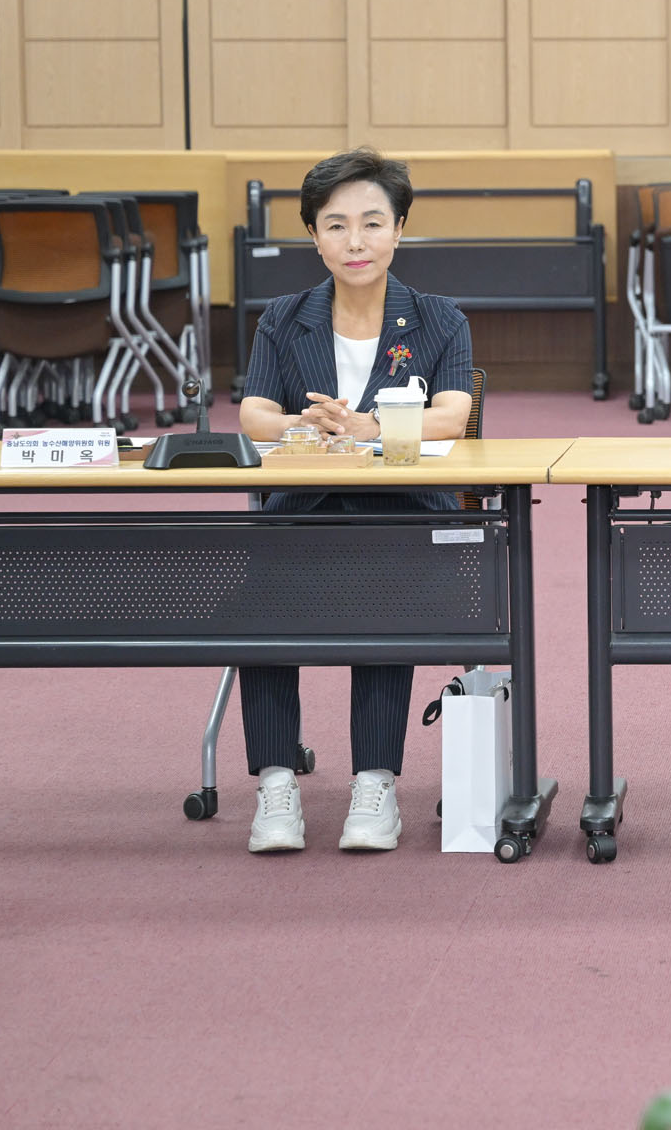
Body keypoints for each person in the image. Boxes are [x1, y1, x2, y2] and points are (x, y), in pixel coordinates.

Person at [234, 149, 475, 854]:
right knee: (258, 603)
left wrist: (371, 427)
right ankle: (276, 781)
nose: (356, 241)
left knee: (384, 592)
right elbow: (253, 414)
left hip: (403, 516)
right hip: (302, 515)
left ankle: (375, 781)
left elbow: (453, 414)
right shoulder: (284, 319)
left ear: (399, 229)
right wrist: (299, 423)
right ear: (314, 236)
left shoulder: (437, 319)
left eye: (372, 223)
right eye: (336, 225)